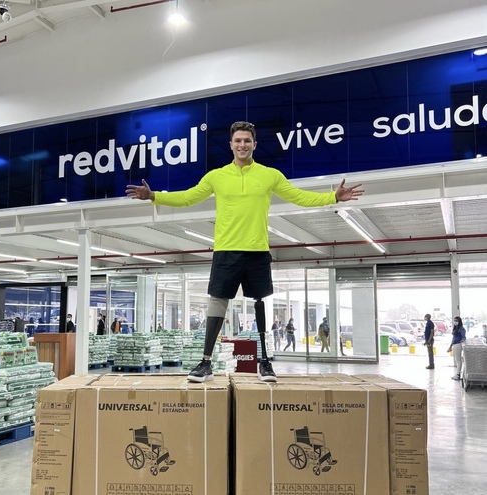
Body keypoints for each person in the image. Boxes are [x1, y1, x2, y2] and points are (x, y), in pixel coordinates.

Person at [126, 120, 363, 382]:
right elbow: (188, 197)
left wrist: (332, 197)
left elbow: (299, 196)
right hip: (226, 250)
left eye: (247, 141)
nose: (242, 145)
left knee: (260, 302)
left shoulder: (270, 175)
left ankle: (265, 363)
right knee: (217, 301)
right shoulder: (216, 176)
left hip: (257, 250)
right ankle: (205, 363)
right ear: (231, 144)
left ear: (254, 144)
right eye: (238, 140)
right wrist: (154, 196)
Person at [447, 316, 466, 380]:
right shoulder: (455, 328)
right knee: (457, 360)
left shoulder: (461, 328)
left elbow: (464, 337)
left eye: (456, 321)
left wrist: (462, 341)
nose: (455, 322)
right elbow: (453, 339)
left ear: (459, 321)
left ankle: (458, 374)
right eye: (454, 320)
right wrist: (450, 346)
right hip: (455, 345)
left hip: (458, 345)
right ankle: (457, 374)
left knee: (458, 360)